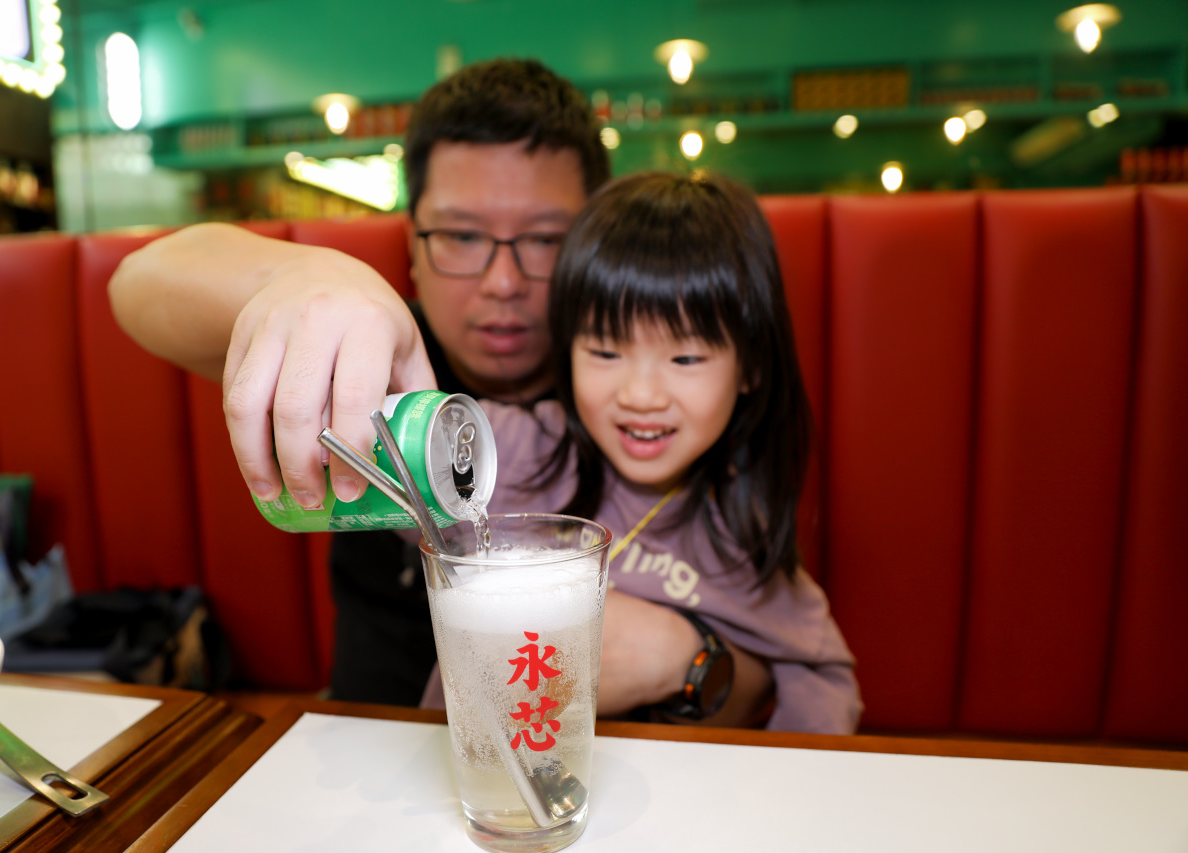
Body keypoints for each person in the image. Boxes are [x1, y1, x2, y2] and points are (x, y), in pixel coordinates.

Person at [111, 59, 722, 717]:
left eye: (546, 239)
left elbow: (781, 672)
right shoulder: (366, 353)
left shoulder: (655, 392)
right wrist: (308, 276)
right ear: (411, 243)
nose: (502, 282)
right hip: (377, 741)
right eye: (460, 235)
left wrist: (687, 658)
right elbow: (136, 282)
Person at [422, 171, 861, 731]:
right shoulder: (518, 449)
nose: (641, 396)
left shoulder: (739, 534)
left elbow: (823, 675)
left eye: (685, 359)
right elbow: (368, 463)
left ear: (750, 366)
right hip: (471, 777)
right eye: (606, 351)